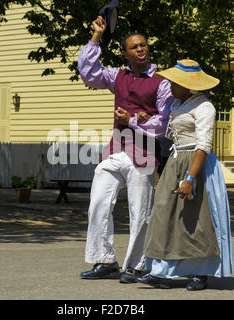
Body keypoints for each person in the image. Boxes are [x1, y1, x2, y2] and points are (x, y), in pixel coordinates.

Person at [78, 16, 173, 283]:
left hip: (143, 155)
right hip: (115, 151)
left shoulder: (162, 82)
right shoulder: (116, 75)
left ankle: (137, 265)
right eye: (135, 47)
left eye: (144, 45)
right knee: (97, 203)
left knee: (139, 212)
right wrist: (97, 35)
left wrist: (130, 120)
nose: (141, 49)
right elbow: (88, 72)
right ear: (125, 53)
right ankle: (105, 260)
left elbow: (164, 123)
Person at [136, 59, 233, 291]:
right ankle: (161, 271)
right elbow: (169, 131)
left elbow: (203, 146)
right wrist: (145, 121)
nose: (170, 85)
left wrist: (190, 178)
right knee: (162, 214)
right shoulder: (178, 104)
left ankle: (201, 272)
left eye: (174, 82)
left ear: (188, 85)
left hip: (196, 165)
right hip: (176, 160)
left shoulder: (204, 107)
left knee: (196, 219)